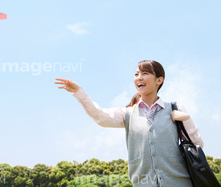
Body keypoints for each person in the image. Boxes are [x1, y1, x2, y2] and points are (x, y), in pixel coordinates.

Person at [54, 60, 203, 187]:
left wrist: (185, 119)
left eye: (145, 73)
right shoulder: (127, 114)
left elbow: (198, 147)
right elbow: (99, 115)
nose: (139, 77)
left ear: (159, 80)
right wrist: (79, 92)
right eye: (136, 74)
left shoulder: (175, 109)